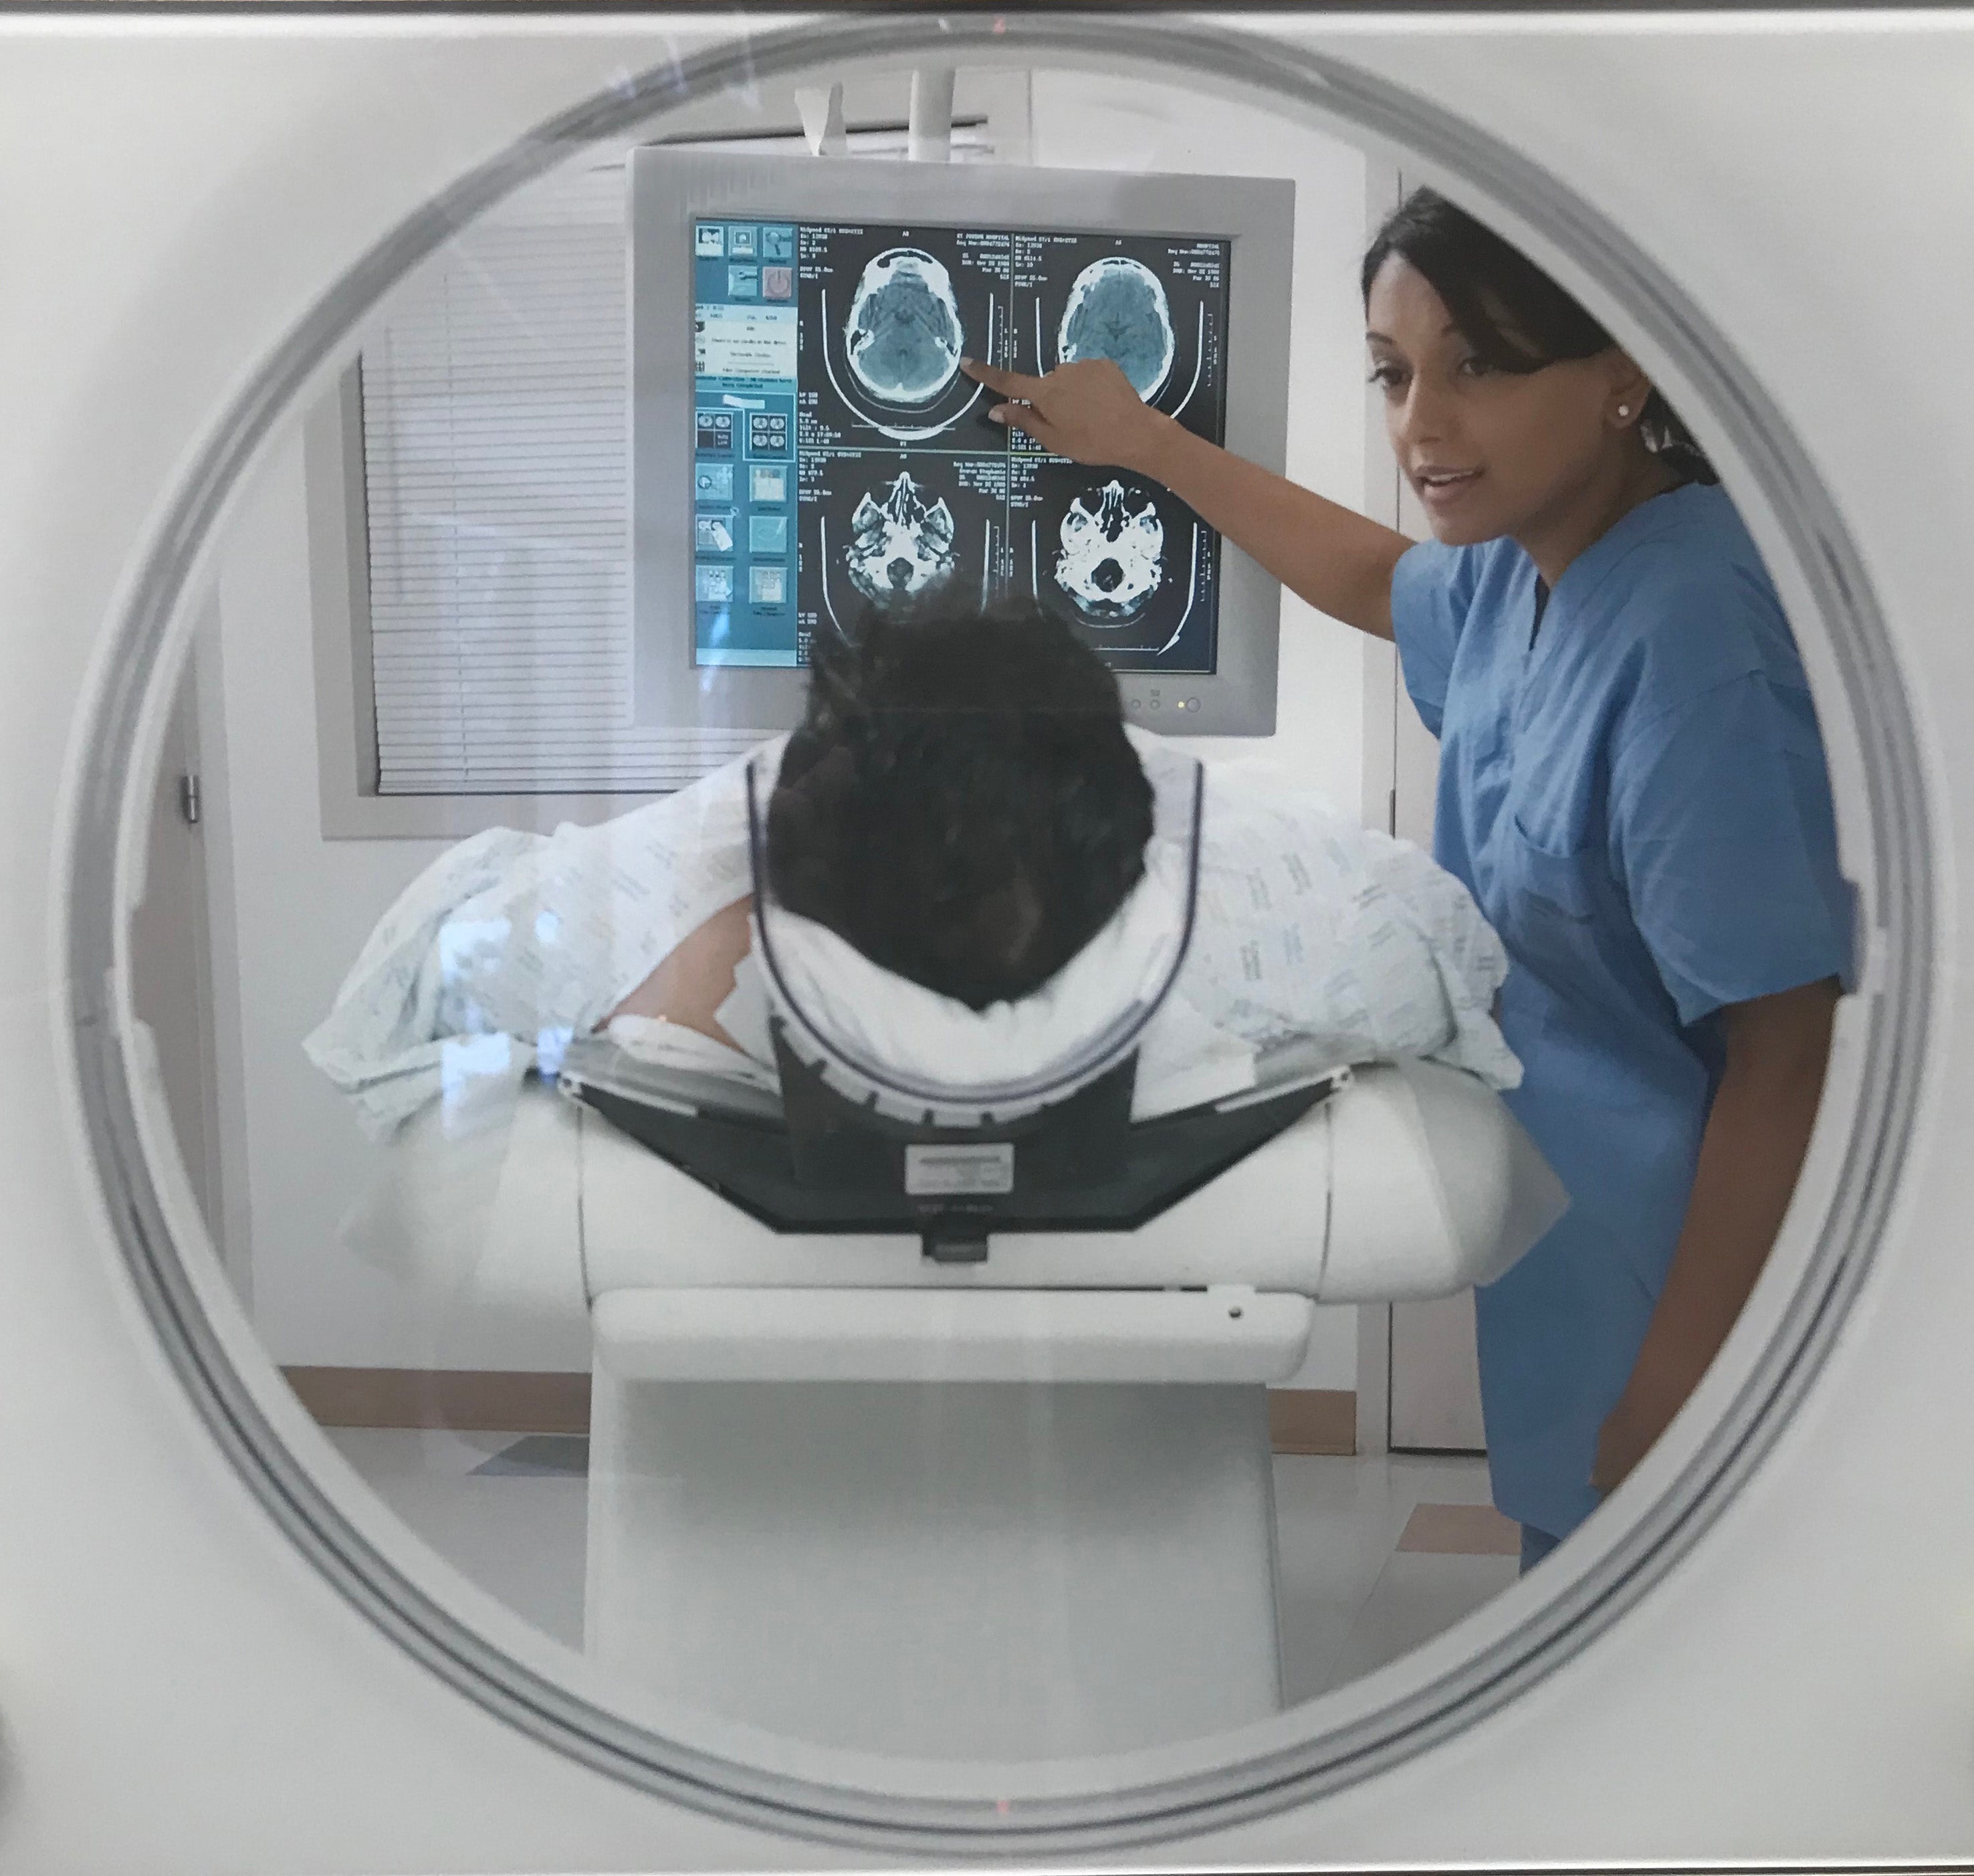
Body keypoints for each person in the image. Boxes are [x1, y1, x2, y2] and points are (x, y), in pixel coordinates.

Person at [962, 187, 1850, 1571]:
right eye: (1394, 372)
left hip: (1702, 1293)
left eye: (1480, 366)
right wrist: (1141, 440)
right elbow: (1381, 581)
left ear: (1625, 372)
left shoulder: (1689, 633)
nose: (1420, 426)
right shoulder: (1527, 566)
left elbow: (1790, 1052)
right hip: (1589, 1252)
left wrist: (1680, 1394)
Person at [307, 599, 1520, 1145]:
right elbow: (421, 976)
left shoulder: (1290, 916)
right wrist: (692, 974)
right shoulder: (634, 904)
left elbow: (1443, 953)